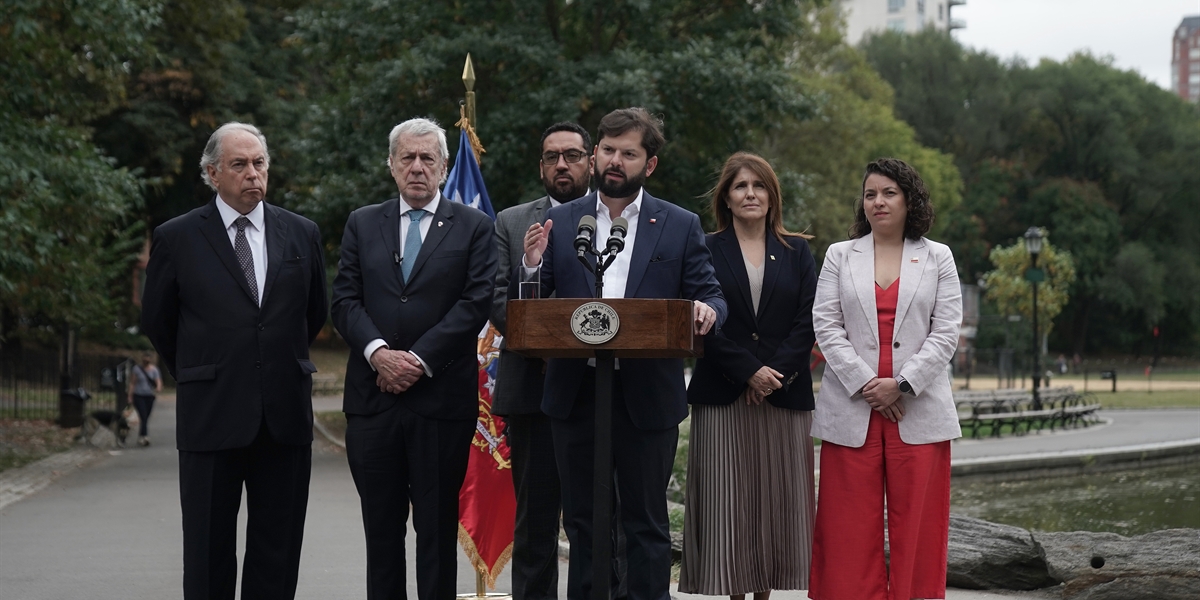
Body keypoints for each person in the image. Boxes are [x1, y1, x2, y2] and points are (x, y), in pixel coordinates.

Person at [521, 107, 727, 600]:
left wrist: (705, 310)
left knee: (646, 524)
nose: (616, 161)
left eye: (628, 153)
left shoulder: (677, 224)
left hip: (645, 395)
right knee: (586, 523)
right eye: (608, 150)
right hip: (576, 392)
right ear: (595, 155)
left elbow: (713, 295)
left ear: (648, 164)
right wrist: (530, 266)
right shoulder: (562, 219)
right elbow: (530, 306)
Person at [140, 122, 328, 600]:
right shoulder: (177, 237)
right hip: (211, 413)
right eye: (239, 165)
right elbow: (158, 320)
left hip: (283, 415)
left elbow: (313, 314)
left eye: (259, 163)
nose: (252, 174)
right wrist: (200, 372)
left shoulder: (301, 234)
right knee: (207, 552)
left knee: (278, 551)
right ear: (212, 173)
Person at [331, 117, 497, 600]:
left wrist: (417, 361)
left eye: (428, 159)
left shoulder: (474, 226)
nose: (418, 167)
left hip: (441, 403)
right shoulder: (363, 223)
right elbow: (344, 301)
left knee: (436, 533)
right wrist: (379, 354)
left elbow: (476, 303)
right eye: (408, 158)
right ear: (391, 165)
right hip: (372, 404)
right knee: (381, 533)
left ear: (445, 168)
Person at [807, 158, 962, 600]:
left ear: (909, 199)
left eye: (889, 193)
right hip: (853, 407)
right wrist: (868, 384)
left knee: (920, 524)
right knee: (846, 524)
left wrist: (903, 383)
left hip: (918, 408)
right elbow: (826, 324)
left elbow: (946, 330)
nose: (878, 201)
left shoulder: (938, 257)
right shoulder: (840, 254)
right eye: (871, 193)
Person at [680, 152, 818, 599]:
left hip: (784, 394)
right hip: (723, 392)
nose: (750, 194)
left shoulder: (798, 251)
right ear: (726, 197)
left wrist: (771, 375)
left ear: (772, 195)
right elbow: (700, 319)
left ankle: (767, 594)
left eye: (758, 186)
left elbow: (808, 320)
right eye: (740, 186)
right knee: (729, 504)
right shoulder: (703, 246)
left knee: (777, 505)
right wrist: (748, 372)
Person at [491, 122, 593, 600]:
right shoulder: (512, 223)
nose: (561, 165)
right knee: (535, 523)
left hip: (597, 392)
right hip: (532, 391)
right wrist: (529, 267)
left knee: (593, 521)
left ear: (590, 162)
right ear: (541, 167)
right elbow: (494, 302)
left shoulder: (612, 219)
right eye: (552, 157)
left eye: (572, 155)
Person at [127, 352, 162, 447]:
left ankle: (141, 435)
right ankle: (145, 436)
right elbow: (132, 383)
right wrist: (130, 396)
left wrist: (158, 387)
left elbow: (158, 380)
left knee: (146, 417)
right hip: (138, 395)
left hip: (149, 396)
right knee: (143, 415)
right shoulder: (137, 369)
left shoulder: (154, 370)